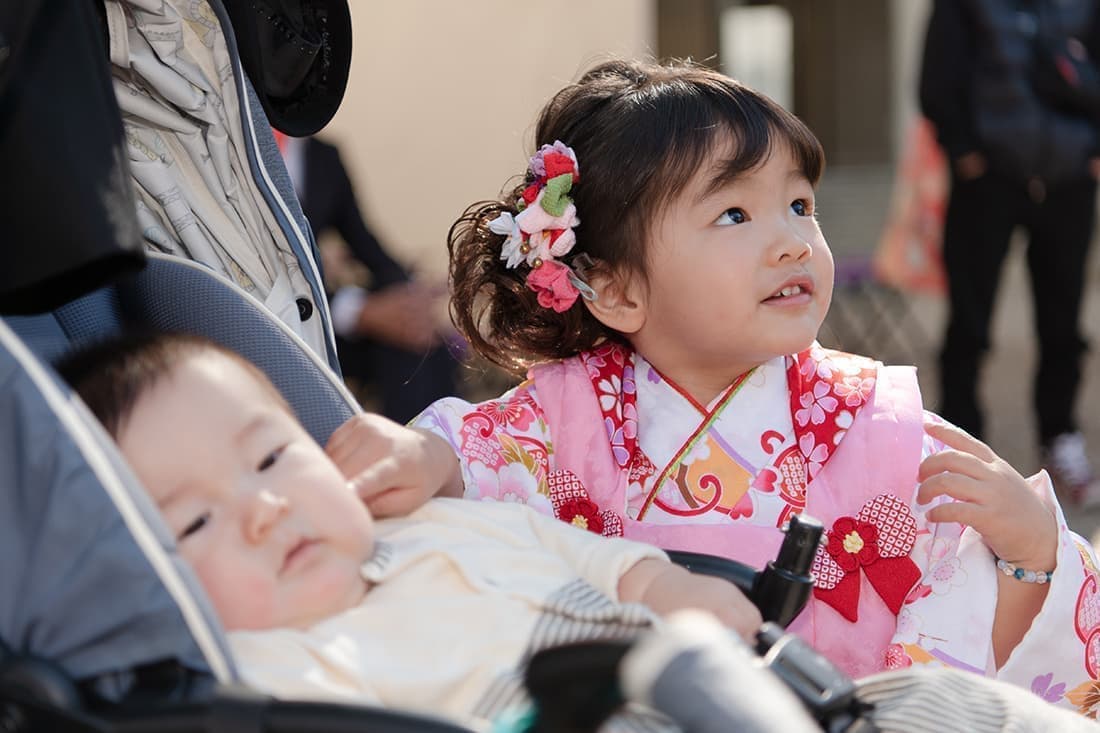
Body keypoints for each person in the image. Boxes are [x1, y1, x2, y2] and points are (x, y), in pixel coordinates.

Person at [380, 58, 1100, 711]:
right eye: (734, 213)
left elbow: (960, 675)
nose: (793, 241)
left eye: (799, 205)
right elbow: (459, 462)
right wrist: (420, 457)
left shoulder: (881, 427)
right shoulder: (560, 420)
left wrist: (1032, 555)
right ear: (613, 287)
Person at [56, 331, 763, 730]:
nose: (265, 506)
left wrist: (673, 588)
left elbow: (611, 564)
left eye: (273, 457)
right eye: (195, 519)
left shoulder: (439, 519)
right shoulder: (266, 674)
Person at [919, 0, 1100, 505]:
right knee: (970, 325)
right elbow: (937, 78)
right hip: (987, 180)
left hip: (1068, 180)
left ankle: (1061, 440)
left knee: (1063, 326)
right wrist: (964, 152)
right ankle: (956, 449)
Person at [275, 131, 461, 424]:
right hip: (278, 317)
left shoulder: (324, 155)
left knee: (417, 337)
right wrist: (359, 311)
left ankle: (432, 445)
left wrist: (410, 294)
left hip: (329, 318)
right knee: (399, 331)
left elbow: (365, 243)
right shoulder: (233, 146)